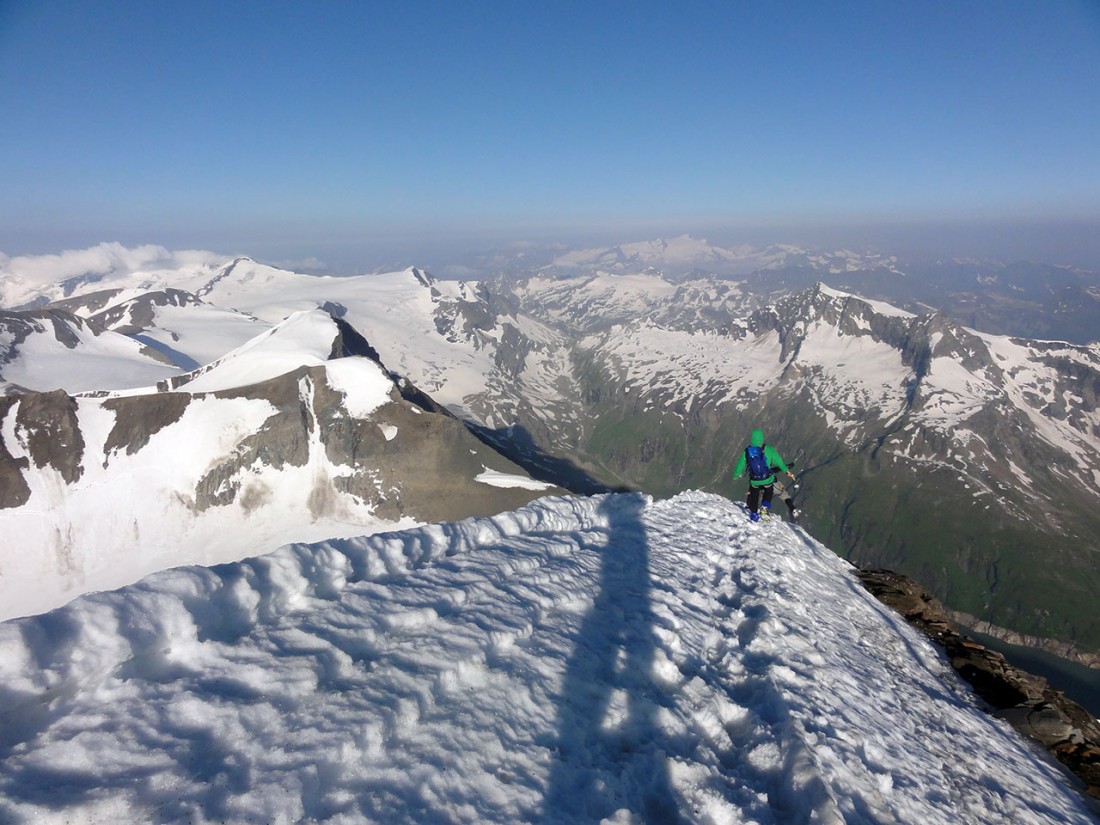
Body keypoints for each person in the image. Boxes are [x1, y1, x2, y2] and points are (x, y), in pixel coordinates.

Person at [732, 428, 796, 522]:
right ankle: (764, 507)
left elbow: (740, 465)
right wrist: (786, 471)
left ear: (752, 438)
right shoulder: (769, 450)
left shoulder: (747, 451)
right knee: (768, 491)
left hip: (754, 480)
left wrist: (736, 475)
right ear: (762, 438)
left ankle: (754, 514)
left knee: (754, 495)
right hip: (767, 479)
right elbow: (779, 462)